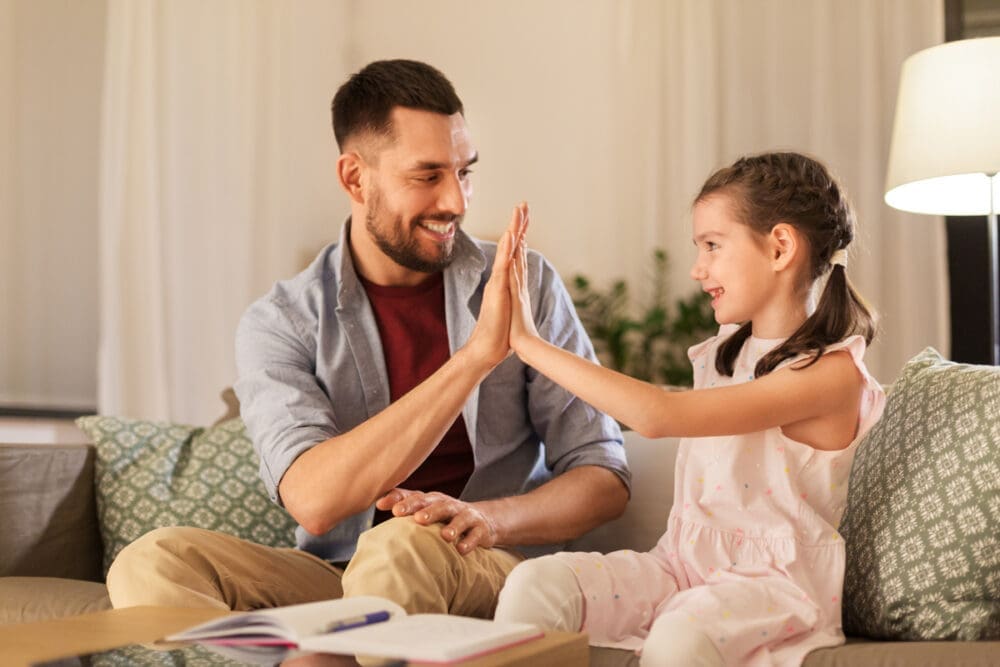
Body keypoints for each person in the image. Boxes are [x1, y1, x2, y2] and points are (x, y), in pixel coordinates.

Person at [105, 59, 630, 616]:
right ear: (355, 177)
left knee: (398, 548)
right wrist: (474, 359)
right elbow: (313, 500)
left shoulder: (525, 283)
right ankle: (334, 646)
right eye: (428, 176)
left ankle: (332, 648)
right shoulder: (282, 321)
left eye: (465, 171)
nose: (456, 200)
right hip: (336, 574)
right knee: (150, 562)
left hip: (484, 561)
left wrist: (490, 518)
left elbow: (603, 475)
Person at [493, 152, 886, 666]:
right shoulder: (725, 354)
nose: (699, 269)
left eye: (713, 246)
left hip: (773, 587)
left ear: (780, 247)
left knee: (682, 634)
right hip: (682, 567)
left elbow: (658, 416)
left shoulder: (829, 374)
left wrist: (528, 343)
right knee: (537, 584)